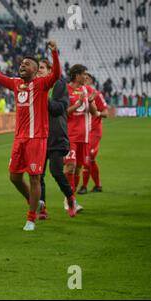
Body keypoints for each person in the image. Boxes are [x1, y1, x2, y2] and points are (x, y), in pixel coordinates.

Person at [0, 41, 61, 231]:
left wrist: (54, 53)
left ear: (35, 69)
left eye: (27, 64)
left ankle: (31, 218)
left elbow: (56, 74)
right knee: (14, 178)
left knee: (34, 178)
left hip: (37, 138)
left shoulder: (42, 84)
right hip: (19, 139)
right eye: (21, 63)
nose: (22, 65)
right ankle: (34, 200)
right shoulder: (16, 84)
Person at [36, 59, 75, 219]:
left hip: (57, 136)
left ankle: (70, 198)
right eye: (37, 68)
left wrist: (45, 96)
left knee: (56, 172)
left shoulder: (59, 85)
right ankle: (42, 207)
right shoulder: (35, 86)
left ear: (51, 71)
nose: (38, 70)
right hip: (39, 136)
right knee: (38, 175)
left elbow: (59, 109)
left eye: (42, 68)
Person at [64, 64, 98, 212]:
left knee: (78, 169)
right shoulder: (65, 90)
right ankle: (69, 199)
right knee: (70, 166)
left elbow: (95, 112)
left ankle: (71, 197)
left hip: (84, 136)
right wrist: (78, 103)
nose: (86, 77)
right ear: (76, 75)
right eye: (84, 74)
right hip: (70, 135)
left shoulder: (87, 89)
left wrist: (90, 102)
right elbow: (64, 113)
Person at [78, 73, 109, 194]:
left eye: (86, 78)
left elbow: (106, 112)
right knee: (90, 160)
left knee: (88, 157)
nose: (84, 80)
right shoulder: (77, 93)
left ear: (90, 80)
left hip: (94, 132)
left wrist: (98, 113)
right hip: (81, 131)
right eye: (82, 77)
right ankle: (98, 185)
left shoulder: (96, 94)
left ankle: (84, 187)